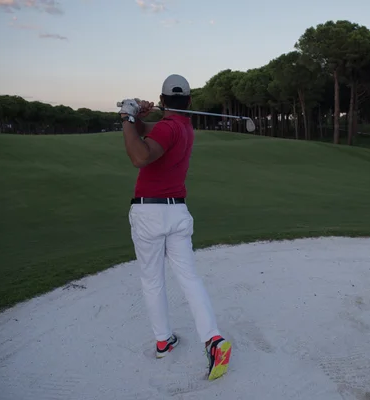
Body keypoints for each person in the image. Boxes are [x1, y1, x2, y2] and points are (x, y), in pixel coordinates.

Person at [117, 74, 232, 381]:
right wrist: (138, 117)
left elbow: (139, 156)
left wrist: (127, 116)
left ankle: (163, 340)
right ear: (190, 102)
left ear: (164, 99)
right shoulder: (182, 127)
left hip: (149, 213)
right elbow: (149, 131)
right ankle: (213, 339)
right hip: (177, 213)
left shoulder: (168, 128)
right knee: (190, 278)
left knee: (152, 280)